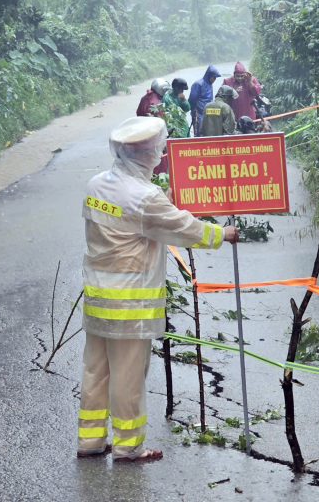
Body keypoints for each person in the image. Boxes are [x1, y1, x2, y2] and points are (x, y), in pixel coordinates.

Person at [78, 117, 239, 462]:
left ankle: (90, 442)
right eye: (157, 148)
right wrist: (222, 234)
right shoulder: (145, 198)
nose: (162, 152)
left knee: (96, 370)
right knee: (128, 378)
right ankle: (128, 447)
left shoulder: (96, 185)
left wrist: (161, 201)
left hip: (97, 299)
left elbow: (134, 219)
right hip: (129, 306)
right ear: (145, 152)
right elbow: (184, 228)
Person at [188, 65, 221, 136]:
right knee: (199, 134)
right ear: (209, 76)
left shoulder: (210, 85)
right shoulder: (198, 84)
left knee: (209, 134)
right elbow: (192, 99)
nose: (214, 80)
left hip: (208, 113)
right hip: (198, 114)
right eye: (214, 77)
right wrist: (194, 110)